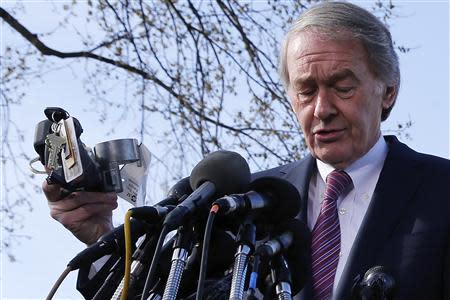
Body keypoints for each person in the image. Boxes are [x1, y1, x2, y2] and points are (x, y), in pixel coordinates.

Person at [43, 2, 450, 299]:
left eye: (343, 86)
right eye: (306, 91)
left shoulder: (441, 191)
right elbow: (154, 291)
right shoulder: (239, 203)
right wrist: (101, 235)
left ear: (388, 91)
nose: (322, 110)